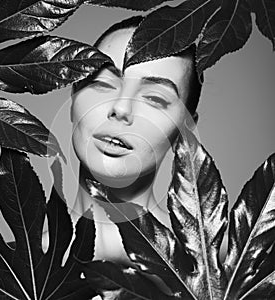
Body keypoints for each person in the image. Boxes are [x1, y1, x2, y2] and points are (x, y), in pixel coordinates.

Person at [69, 16, 202, 264]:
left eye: (154, 98)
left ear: (185, 130)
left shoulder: (221, 275)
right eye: (103, 84)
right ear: (74, 97)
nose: (121, 108)